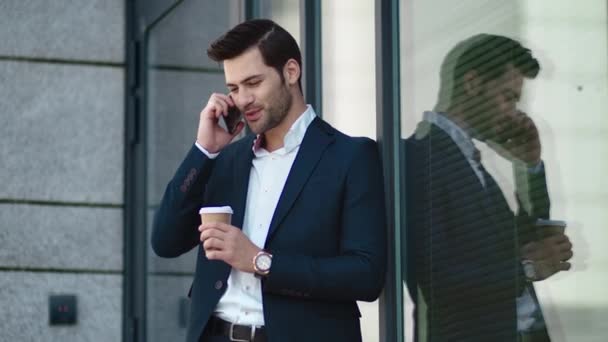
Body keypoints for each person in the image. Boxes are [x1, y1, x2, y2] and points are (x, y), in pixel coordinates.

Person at [151, 19, 387, 342]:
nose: (243, 99)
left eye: (253, 83)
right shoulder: (226, 160)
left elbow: (366, 275)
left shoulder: (350, 156)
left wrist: (260, 261)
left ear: (291, 72)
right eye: (234, 88)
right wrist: (203, 151)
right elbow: (165, 241)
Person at [404, 34, 574, 341]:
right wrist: (527, 269)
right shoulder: (420, 156)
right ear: (472, 84)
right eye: (509, 97)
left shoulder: (467, 158)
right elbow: (438, 278)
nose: (513, 113)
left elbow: (517, 245)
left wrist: (531, 166)